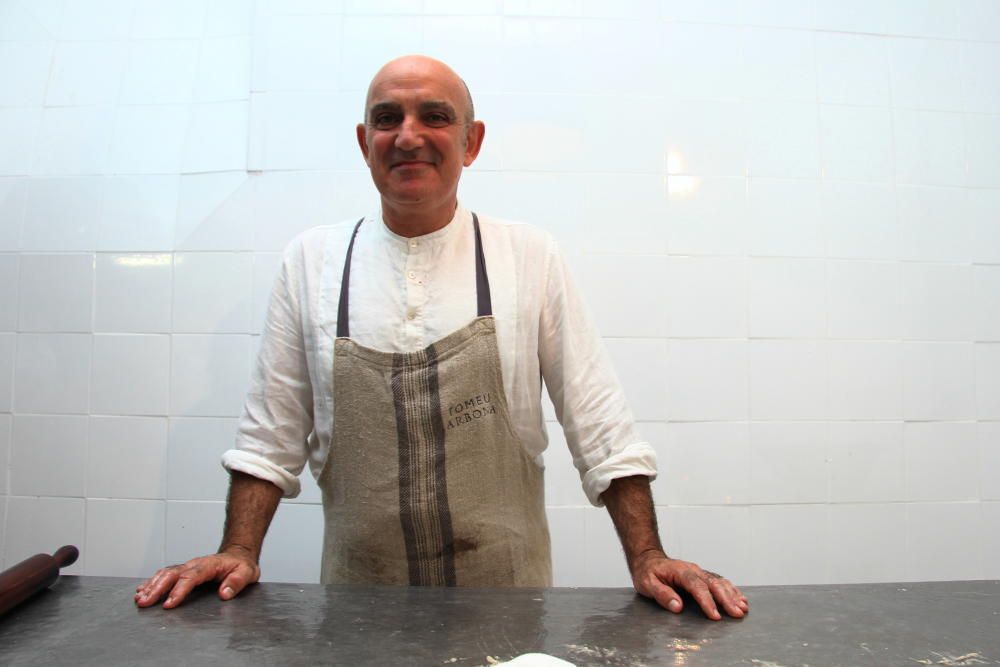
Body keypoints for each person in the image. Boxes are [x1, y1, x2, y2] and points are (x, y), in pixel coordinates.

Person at [135, 55, 748, 621]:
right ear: (363, 142)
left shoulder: (527, 256)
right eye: (386, 119)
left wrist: (648, 557)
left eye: (434, 117)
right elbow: (268, 440)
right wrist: (238, 549)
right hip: (356, 609)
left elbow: (601, 428)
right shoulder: (312, 261)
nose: (407, 136)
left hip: (507, 604)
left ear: (470, 142)